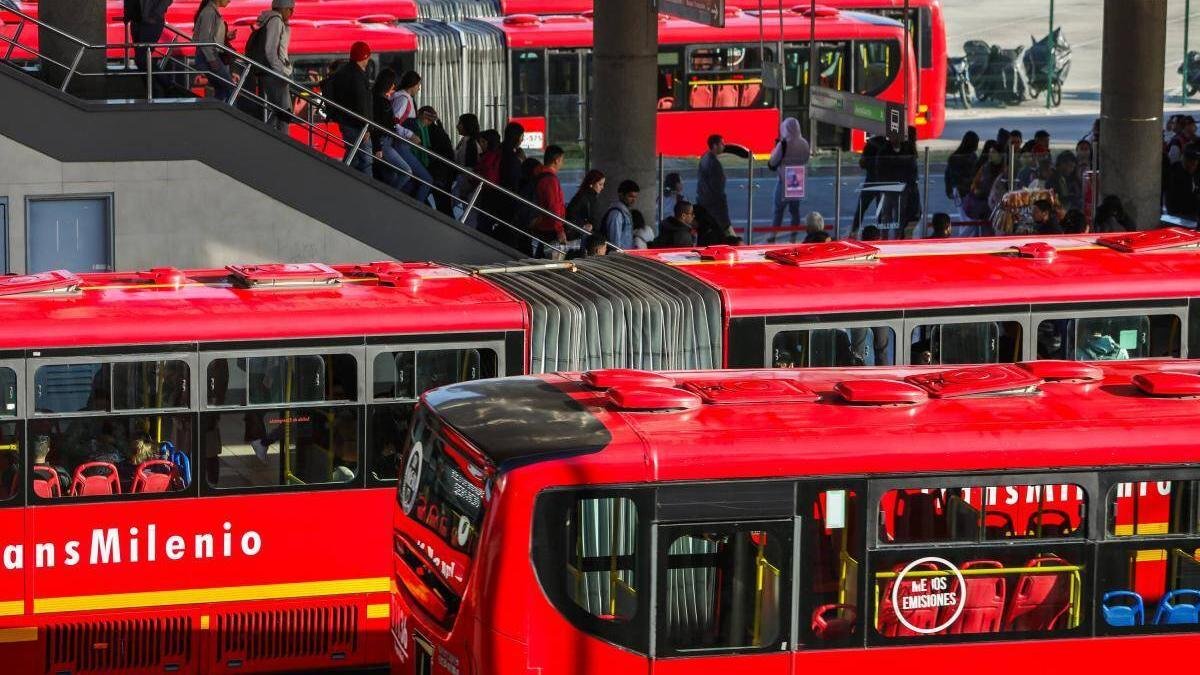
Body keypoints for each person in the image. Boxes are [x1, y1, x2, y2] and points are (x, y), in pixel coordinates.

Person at [324, 41, 374, 176]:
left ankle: (343, 177)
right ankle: (367, 188)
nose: (369, 59)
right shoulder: (357, 76)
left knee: (354, 155)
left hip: (345, 121)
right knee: (366, 159)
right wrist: (367, 126)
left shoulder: (344, 71)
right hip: (357, 124)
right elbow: (361, 102)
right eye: (368, 56)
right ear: (364, 57)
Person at [390, 71, 433, 205]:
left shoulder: (403, 98)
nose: (419, 88)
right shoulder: (404, 100)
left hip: (403, 145)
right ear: (412, 85)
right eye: (418, 85)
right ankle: (416, 208)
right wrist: (410, 134)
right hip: (401, 145)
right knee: (426, 179)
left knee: (411, 179)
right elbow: (394, 123)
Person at [369, 68, 412, 191]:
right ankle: (389, 196)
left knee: (391, 177)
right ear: (387, 84)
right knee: (406, 171)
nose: (394, 86)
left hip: (384, 142)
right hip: (383, 143)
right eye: (392, 83)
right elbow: (375, 125)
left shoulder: (376, 99)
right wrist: (377, 147)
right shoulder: (381, 102)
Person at [257, 0, 294, 132]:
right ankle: (284, 144)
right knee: (284, 113)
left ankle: (266, 133)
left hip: (273, 72)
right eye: (290, 9)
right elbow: (271, 50)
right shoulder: (275, 21)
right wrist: (281, 73)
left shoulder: (275, 21)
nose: (292, 13)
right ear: (282, 8)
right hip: (275, 73)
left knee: (281, 111)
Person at [767, 117, 811, 229]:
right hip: (798, 180)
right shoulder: (804, 143)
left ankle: (773, 236)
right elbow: (806, 159)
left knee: (778, 210)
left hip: (784, 179)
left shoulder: (783, 144)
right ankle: (793, 236)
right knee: (795, 211)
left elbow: (773, 162)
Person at [414, 107, 457, 216]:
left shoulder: (429, 131)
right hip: (442, 173)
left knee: (441, 204)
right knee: (441, 204)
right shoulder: (437, 130)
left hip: (439, 174)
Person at [193, 0, 235, 101]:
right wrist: (212, 60)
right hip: (208, 57)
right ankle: (230, 115)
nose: (230, 0)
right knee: (230, 88)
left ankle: (217, 114)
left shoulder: (210, 11)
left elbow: (208, 37)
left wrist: (226, 36)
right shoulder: (210, 12)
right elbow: (205, 40)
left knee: (221, 89)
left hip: (207, 55)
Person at [130, 0, 174, 96]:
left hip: (151, 22)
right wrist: (128, 13)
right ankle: (153, 89)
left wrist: (155, 15)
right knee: (140, 59)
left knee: (142, 59)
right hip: (136, 21)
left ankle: (166, 84)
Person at [531, 145, 568, 258]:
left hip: (543, 224)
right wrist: (560, 230)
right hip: (550, 227)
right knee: (551, 260)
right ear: (556, 160)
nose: (563, 163)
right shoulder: (550, 180)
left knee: (542, 255)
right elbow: (554, 207)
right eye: (562, 160)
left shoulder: (539, 175)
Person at [697, 134, 731, 233]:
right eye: (722, 144)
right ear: (715, 146)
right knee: (721, 230)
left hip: (704, 201)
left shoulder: (704, 158)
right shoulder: (714, 163)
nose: (724, 146)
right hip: (714, 205)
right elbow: (717, 188)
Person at [452, 113, 484, 220]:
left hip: (466, 185)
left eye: (460, 123)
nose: (457, 126)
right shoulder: (465, 141)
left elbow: (470, 167)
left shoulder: (471, 144)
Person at [566, 170, 604, 251]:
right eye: (600, 184)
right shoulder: (584, 197)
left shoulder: (590, 197)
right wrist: (583, 225)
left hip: (587, 236)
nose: (602, 187)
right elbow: (570, 214)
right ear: (591, 183)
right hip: (583, 237)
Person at [601, 180, 640, 251]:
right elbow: (615, 242)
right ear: (621, 195)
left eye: (635, 197)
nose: (633, 200)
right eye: (630, 196)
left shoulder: (624, 212)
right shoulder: (617, 214)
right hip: (620, 257)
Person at [1165, 145, 1200, 219]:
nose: (1194, 167)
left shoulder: (1192, 172)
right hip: (1179, 213)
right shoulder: (1176, 173)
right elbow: (1183, 198)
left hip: (1189, 210)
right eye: (1193, 164)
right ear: (1186, 161)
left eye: (1196, 165)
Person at [944, 131, 979, 203]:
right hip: (964, 191)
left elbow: (947, 176)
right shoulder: (971, 158)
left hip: (959, 191)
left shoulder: (954, 157)